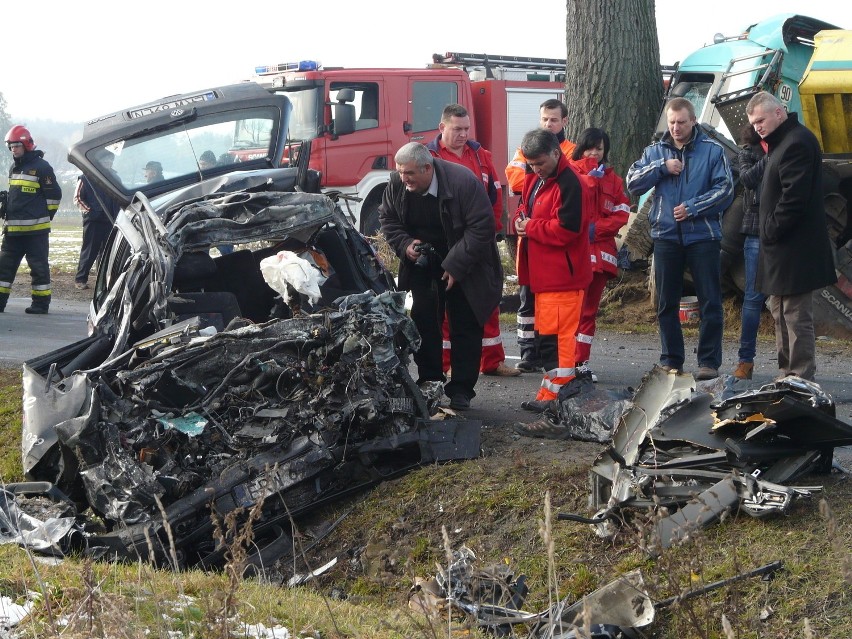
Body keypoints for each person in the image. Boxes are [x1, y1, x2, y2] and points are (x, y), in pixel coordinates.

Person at [378, 142, 503, 411]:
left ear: (427, 167)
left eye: (409, 173)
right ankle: (429, 381)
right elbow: (388, 219)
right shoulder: (397, 184)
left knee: (465, 325)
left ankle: (461, 390)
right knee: (423, 322)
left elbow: (482, 227)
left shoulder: (463, 182)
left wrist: (456, 266)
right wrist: (405, 244)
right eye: (400, 172)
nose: (404, 179)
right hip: (423, 263)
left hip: (466, 263)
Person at [626, 97, 734, 380]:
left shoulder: (713, 151)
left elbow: (725, 191)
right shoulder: (655, 152)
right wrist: (662, 167)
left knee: (710, 300)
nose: (675, 128)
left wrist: (693, 207)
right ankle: (671, 359)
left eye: (681, 122)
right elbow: (632, 183)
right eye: (672, 122)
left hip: (703, 236)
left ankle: (708, 362)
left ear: (693, 120)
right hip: (665, 236)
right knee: (666, 302)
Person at [746, 91, 836, 381]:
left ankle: (800, 377)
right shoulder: (782, 142)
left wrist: (769, 229)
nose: (757, 126)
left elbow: (793, 199)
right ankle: (787, 374)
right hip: (780, 248)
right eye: (753, 122)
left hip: (794, 247)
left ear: (779, 113)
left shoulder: (796, 142)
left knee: (795, 316)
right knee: (779, 312)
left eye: (761, 120)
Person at [425, 103, 520, 378]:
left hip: (478, 241)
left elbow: (494, 195)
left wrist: (490, 230)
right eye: (457, 129)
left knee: (486, 302)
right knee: (443, 309)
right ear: (442, 128)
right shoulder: (429, 156)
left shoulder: (481, 156)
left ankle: (491, 361)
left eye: (467, 129)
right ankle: (445, 365)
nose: (463, 134)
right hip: (444, 243)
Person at [511, 129, 592, 436]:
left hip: (563, 277)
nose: (534, 169)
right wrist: (522, 221)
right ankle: (549, 397)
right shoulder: (536, 178)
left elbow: (568, 230)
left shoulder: (573, 183)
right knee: (548, 341)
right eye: (531, 164)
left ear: (556, 153)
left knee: (560, 344)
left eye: (539, 163)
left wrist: (530, 226)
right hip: (545, 276)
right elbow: (525, 207)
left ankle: (561, 406)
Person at [505, 99, 576, 373]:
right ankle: (528, 353)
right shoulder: (528, 149)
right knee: (528, 303)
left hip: (553, 249)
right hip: (530, 246)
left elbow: (570, 185)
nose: (549, 124)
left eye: (554, 120)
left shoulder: (570, 152)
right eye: (545, 119)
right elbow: (515, 181)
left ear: (564, 121)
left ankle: (557, 366)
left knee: (553, 311)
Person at [568, 128, 631, 383]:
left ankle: (581, 363)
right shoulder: (570, 172)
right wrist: (590, 181)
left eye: (600, 148)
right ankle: (563, 362)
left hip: (601, 256)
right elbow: (566, 207)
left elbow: (622, 212)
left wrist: (597, 229)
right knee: (570, 311)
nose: (594, 153)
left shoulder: (613, 180)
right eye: (590, 147)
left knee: (589, 312)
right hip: (575, 255)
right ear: (581, 147)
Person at [0, 126, 62, 314]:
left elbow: (54, 196)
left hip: (36, 232)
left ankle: (41, 305)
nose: (14, 150)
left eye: (17, 146)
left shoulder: (42, 167)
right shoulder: (14, 167)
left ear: (26, 144)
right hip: (13, 232)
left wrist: (43, 217)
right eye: (11, 146)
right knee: (4, 269)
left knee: (39, 269)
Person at [731, 123, 768, 380]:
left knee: (789, 301)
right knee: (753, 299)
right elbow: (747, 179)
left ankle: (793, 365)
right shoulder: (749, 151)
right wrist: (773, 157)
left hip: (785, 232)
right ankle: (746, 361)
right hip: (756, 231)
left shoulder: (789, 146)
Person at [74, 150, 120, 290]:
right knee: (89, 251)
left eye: (110, 160)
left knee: (107, 252)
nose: (108, 162)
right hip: (93, 221)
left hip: (111, 220)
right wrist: (90, 212)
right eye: (105, 160)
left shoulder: (116, 178)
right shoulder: (86, 177)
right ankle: (80, 279)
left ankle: (103, 282)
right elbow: (78, 198)